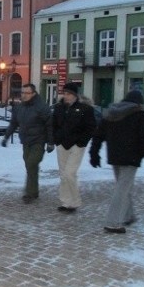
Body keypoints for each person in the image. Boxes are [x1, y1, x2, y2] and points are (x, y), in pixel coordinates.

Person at [89, 90, 144, 234]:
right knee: (122, 189)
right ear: (139, 102)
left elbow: (98, 135)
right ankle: (112, 222)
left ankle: (128, 215)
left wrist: (94, 153)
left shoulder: (111, 113)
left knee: (123, 187)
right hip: (131, 157)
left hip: (114, 156)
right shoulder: (140, 115)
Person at [1, 83, 54, 203]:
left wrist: (51, 142)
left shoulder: (42, 107)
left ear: (33, 94)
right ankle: (34, 191)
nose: (23, 95)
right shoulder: (19, 107)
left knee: (31, 164)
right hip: (26, 142)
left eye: (27, 93)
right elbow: (13, 123)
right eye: (22, 93)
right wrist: (6, 137)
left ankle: (29, 193)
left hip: (38, 141)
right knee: (30, 166)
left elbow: (50, 125)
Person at [52, 82, 97, 213]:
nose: (65, 96)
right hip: (62, 144)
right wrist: (56, 139)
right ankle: (66, 202)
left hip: (76, 145)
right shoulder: (59, 108)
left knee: (70, 173)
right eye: (64, 93)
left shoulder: (85, 109)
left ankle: (75, 201)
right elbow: (53, 125)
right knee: (63, 174)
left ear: (74, 95)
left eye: (68, 94)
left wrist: (81, 142)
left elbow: (91, 127)